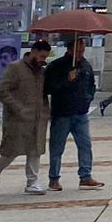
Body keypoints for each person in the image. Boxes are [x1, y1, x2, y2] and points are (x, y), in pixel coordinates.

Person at [0, 41, 52, 195]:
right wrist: (18, 108)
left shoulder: (42, 72)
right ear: (33, 52)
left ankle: (32, 181)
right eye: (42, 56)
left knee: (35, 150)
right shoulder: (15, 68)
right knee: (12, 150)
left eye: (46, 57)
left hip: (38, 117)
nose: (43, 60)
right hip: (17, 118)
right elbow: (2, 91)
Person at [45, 40, 102, 191]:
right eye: (78, 50)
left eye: (83, 50)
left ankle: (85, 176)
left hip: (80, 113)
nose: (81, 53)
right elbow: (48, 88)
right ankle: (54, 178)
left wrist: (88, 98)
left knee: (85, 144)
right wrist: (66, 80)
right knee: (57, 148)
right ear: (70, 49)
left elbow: (91, 85)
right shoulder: (56, 66)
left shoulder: (85, 65)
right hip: (62, 113)